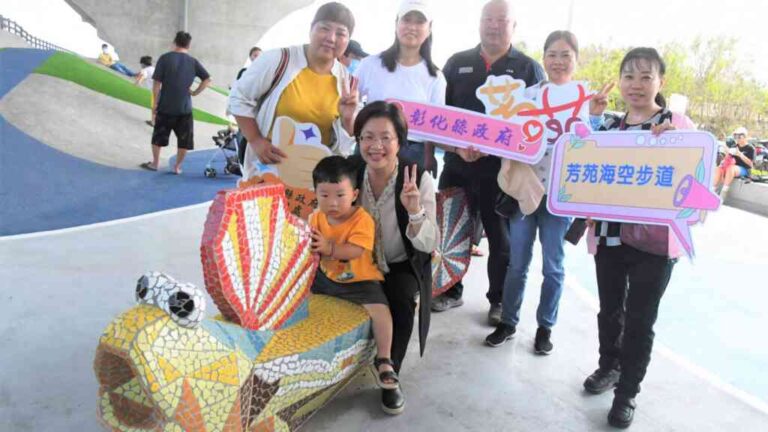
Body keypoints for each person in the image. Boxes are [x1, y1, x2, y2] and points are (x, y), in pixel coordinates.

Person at [583, 47, 696, 429]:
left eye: (646, 76)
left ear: (660, 83)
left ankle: (627, 392)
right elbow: (581, 162)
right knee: (609, 310)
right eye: (629, 75)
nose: (636, 84)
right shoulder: (610, 127)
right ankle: (608, 366)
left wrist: (674, 144)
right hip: (611, 236)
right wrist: (592, 118)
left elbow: (696, 173)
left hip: (656, 243)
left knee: (640, 320)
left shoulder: (677, 124)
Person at [431, 0, 544, 325]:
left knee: (501, 240)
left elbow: (535, 127)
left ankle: (497, 301)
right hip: (457, 167)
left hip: (502, 174)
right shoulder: (456, 63)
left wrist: (495, 149)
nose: (494, 25)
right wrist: (456, 147)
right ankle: (451, 290)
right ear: (479, 22)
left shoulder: (528, 68)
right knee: (451, 232)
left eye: (501, 20)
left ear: (513, 26)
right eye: (488, 19)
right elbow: (441, 115)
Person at [485, 30, 580, 354]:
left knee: (553, 266)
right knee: (518, 263)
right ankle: (509, 321)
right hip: (526, 192)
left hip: (559, 198)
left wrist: (592, 116)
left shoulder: (583, 99)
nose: (558, 61)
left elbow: (591, 144)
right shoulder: (527, 97)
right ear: (544, 58)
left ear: (575, 60)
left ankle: (545, 328)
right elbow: (506, 134)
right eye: (552, 54)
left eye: (565, 54)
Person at [351, 101, 438, 415]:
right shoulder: (350, 171)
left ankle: (391, 374)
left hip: (399, 262)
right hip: (354, 260)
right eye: (367, 137)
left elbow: (429, 242)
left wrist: (414, 210)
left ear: (400, 141)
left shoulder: (418, 177)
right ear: (358, 140)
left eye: (386, 137)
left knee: (401, 301)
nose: (376, 146)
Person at [229, 2, 359, 179]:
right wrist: (256, 140)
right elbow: (239, 97)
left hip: (314, 180)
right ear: (311, 29)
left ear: (347, 40)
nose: (331, 38)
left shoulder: (347, 81)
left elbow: (343, 145)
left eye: (341, 33)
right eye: (324, 28)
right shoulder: (279, 60)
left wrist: (348, 118)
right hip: (268, 172)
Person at [308, 156, 400, 401]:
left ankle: (384, 359)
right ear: (315, 193)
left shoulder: (362, 220)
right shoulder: (316, 217)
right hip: (326, 277)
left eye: (340, 195)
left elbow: (356, 251)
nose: (332, 202)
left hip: (360, 281)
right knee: (299, 295)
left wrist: (329, 248)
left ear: (355, 194)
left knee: (381, 313)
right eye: (324, 195)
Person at [354, 0, 445, 177]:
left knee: (403, 204)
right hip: (372, 149)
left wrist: (429, 156)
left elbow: (434, 126)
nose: (412, 27)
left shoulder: (436, 77)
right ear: (396, 24)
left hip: (412, 152)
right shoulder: (370, 64)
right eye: (406, 20)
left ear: (429, 28)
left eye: (419, 22)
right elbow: (350, 103)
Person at [140, 31, 211, 174]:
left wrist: (155, 104)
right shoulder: (192, 61)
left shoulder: (165, 58)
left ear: (174, 42)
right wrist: (195, 92)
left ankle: (155, 164)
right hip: (184, 108)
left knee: (158, 137)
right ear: (188, 45)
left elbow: (156, 84)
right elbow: (207, 79)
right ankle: (177, 167)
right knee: (184, 141)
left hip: (165, 106)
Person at [714, 126, 754, 197]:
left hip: (745, 169)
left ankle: (723, 193)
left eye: (739, 136)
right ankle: (713, 190)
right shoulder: (734, 146)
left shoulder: (750, 148)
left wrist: (740, 154)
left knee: (731, 168)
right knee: (719, 168)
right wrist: (726, 152)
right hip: (733, 168)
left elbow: (751, 164)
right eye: (736, 136)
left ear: (744, 136)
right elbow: (728, 159)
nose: (737, 138)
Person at [135, 55, 156, 126]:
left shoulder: (145, 70)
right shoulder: (153, 68)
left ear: (143, 64)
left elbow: (143, 76)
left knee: (154, 106)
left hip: (156, 91)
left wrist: (138, 83)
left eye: (141, 64)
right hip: (164, 89)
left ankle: (153, 122)